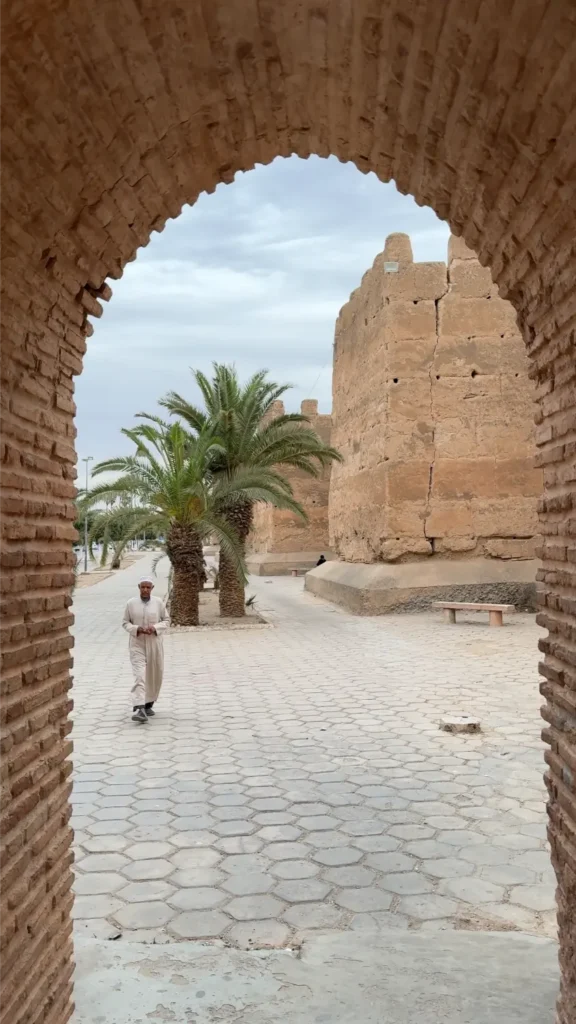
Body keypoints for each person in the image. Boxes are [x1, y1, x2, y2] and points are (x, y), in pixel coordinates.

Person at [122, 576, 168, 724]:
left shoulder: (158, 602)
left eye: (148, 587)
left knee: (155, 674)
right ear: (139, 587)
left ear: (152, 588)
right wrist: (137, 629)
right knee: (140, 675)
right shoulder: (131, 603)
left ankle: (149, 703)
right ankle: (139, 707)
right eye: (143, 587)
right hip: (137, 644)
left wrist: (155, 628)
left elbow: (166, 620)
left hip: (154, 643)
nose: (145, 590)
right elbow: (125, 622)